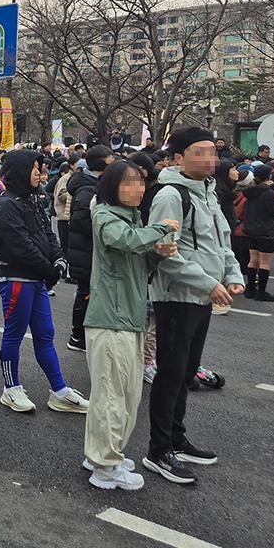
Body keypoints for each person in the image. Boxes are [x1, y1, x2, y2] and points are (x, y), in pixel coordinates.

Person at [144, 127, 243, 485]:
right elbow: (165, 252)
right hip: (176, 297)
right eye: (199, 152)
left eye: (212, 152)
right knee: (170, 375)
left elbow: (222, 243)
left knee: (186, 373)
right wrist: (209, 283)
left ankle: (176, 437)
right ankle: (158, 450)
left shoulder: (209, 194)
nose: (209, 159)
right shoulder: (171, 195)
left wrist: (233, 275)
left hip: (202, 297)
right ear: (177, 158)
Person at [82, 161, 179, 491]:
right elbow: (123, 241)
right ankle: (105, 466)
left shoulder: (132, 218)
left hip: (128, 318)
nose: (138, 189)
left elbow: (135, 262)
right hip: (111, 320)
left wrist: (158, 255)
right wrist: (161, 230)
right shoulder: (106, 215)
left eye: (141, 182)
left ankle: (101, 454)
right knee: (112, 396)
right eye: (129, 183)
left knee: (124, 394)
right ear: (111, 187)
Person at [0, 150, 89, 414]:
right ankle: (11, 388)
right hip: (16, 278)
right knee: (14, 334)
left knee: (45, 334)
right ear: (19, 170)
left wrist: (58, 259)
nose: (39, 172)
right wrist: (49, 268)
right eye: (34, 168)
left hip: (36, 278)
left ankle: (59, 390)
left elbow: (47, 231)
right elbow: (19, 245)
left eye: (39, 167)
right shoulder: (6, 203)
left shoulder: (33, 198)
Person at [66, 146, 113, 351]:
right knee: (86, 292)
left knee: (90, 292)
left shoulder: (95, 184)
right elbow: (80, 221)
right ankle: (78, 336)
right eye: (111, 160)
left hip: (88, 249)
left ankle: (85, 333)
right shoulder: (87, 188)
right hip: (85, 251)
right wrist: (106, 229)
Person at [241, 163, 274, 302]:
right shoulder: (268, 193)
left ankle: (251, 289)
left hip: (251, 228)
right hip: (266, 230)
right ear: (268, 176)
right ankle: (261, 292)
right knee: (264, 263)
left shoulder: (250, 191)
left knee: (253, 260)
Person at [53, 155, 76, 257]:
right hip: (64, 217)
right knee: (65, 245)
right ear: (71, 165)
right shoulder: (66, 179)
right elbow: (61, 196)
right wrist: (75, 194)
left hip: (71, 217)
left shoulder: (76, 177)